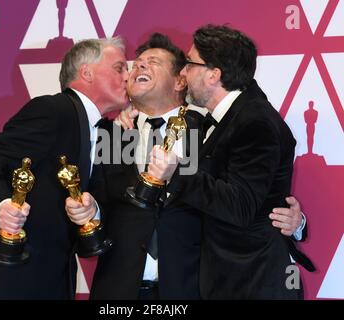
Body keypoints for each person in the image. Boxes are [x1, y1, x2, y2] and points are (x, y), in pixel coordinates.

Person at [66, 33, 307, 300]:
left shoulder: (206, 130)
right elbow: (101, 199)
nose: (139, 66)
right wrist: (91, 210)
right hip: (120, 290)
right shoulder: (112, 134)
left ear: (180, 79)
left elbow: (239, 195)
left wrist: (295, 222)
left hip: (191, 289)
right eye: (137, 63)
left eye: (153, 61)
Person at [0, 37, 129, 299]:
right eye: (119, 68)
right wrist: (2, 208)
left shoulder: (108, 133)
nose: (128, 76)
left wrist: (94, 209)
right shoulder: (54, 109)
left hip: (51, 283)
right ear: (87, 72)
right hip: (7, 282)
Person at [148, 25, 314, 299]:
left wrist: (176, 172)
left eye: (189, 64)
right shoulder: (227, 117)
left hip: (254, 281)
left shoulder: (254, 121)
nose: (183, 73)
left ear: (214, 74)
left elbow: (240, 205)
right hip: (229, 278)